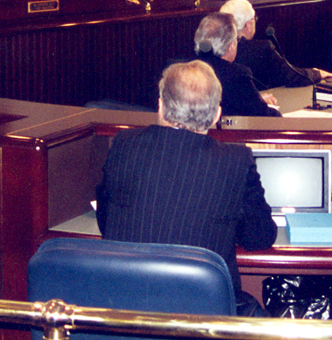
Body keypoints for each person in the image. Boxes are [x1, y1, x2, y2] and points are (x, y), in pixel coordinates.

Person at [96, 60, 278, 315]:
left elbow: (105, 222)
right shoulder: (236, 160)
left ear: (160, 106)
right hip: (201, 320)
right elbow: (260, 237)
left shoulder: (123, 144)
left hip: (125, 313)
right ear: (217, 115)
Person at [220, 0, 332, 89]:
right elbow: (291, 75)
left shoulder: (217, 48)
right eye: (254, 19)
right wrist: (317, 74)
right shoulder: (261, 49)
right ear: (248, 26)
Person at [191, 13, 280, 118]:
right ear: (231, 45)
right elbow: (266, 116)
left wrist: (255, 98)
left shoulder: (182, 68)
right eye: (237, 39)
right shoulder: (236, 75)